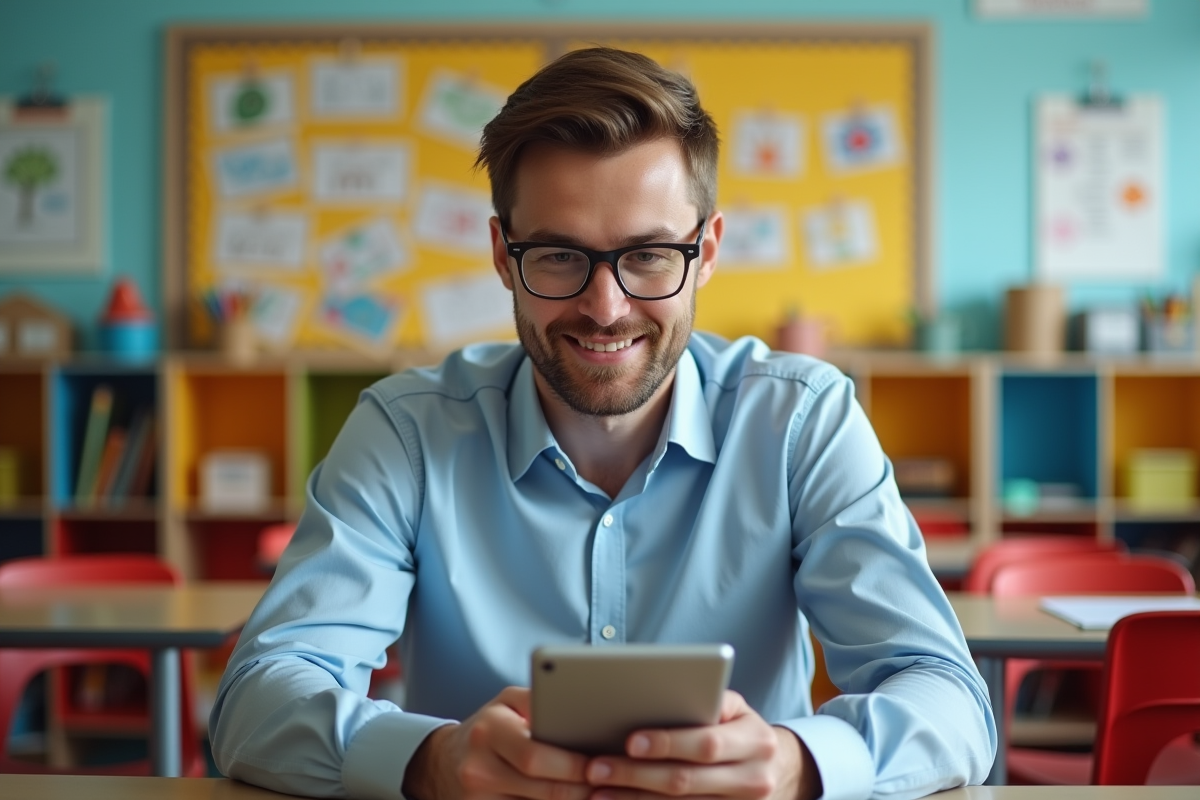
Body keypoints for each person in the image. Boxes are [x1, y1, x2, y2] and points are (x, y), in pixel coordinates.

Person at [210, 46, 996, 800]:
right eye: (557, 255)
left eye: (651, 255)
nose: (606, 308)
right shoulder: (406, 431)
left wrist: (801, 765)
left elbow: (950, 702)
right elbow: (255, 700)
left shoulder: (801, 419)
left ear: (708, 249)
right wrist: (428, 763)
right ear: (501, 254)